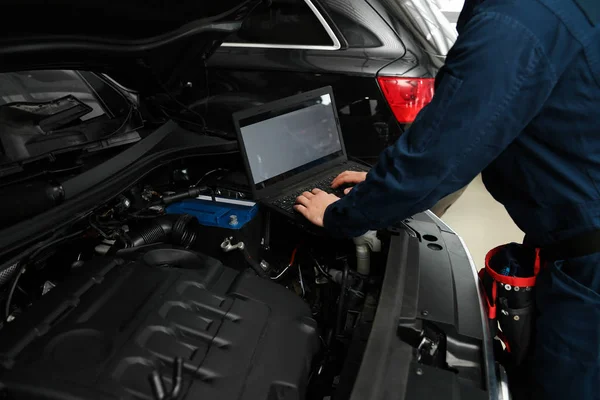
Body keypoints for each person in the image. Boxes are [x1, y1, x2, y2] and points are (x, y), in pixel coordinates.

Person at [293, 0, 600, 398]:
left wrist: (341, 215)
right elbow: (482, 131)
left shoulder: (515, 21)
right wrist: (382, 185)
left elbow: (444, 150)